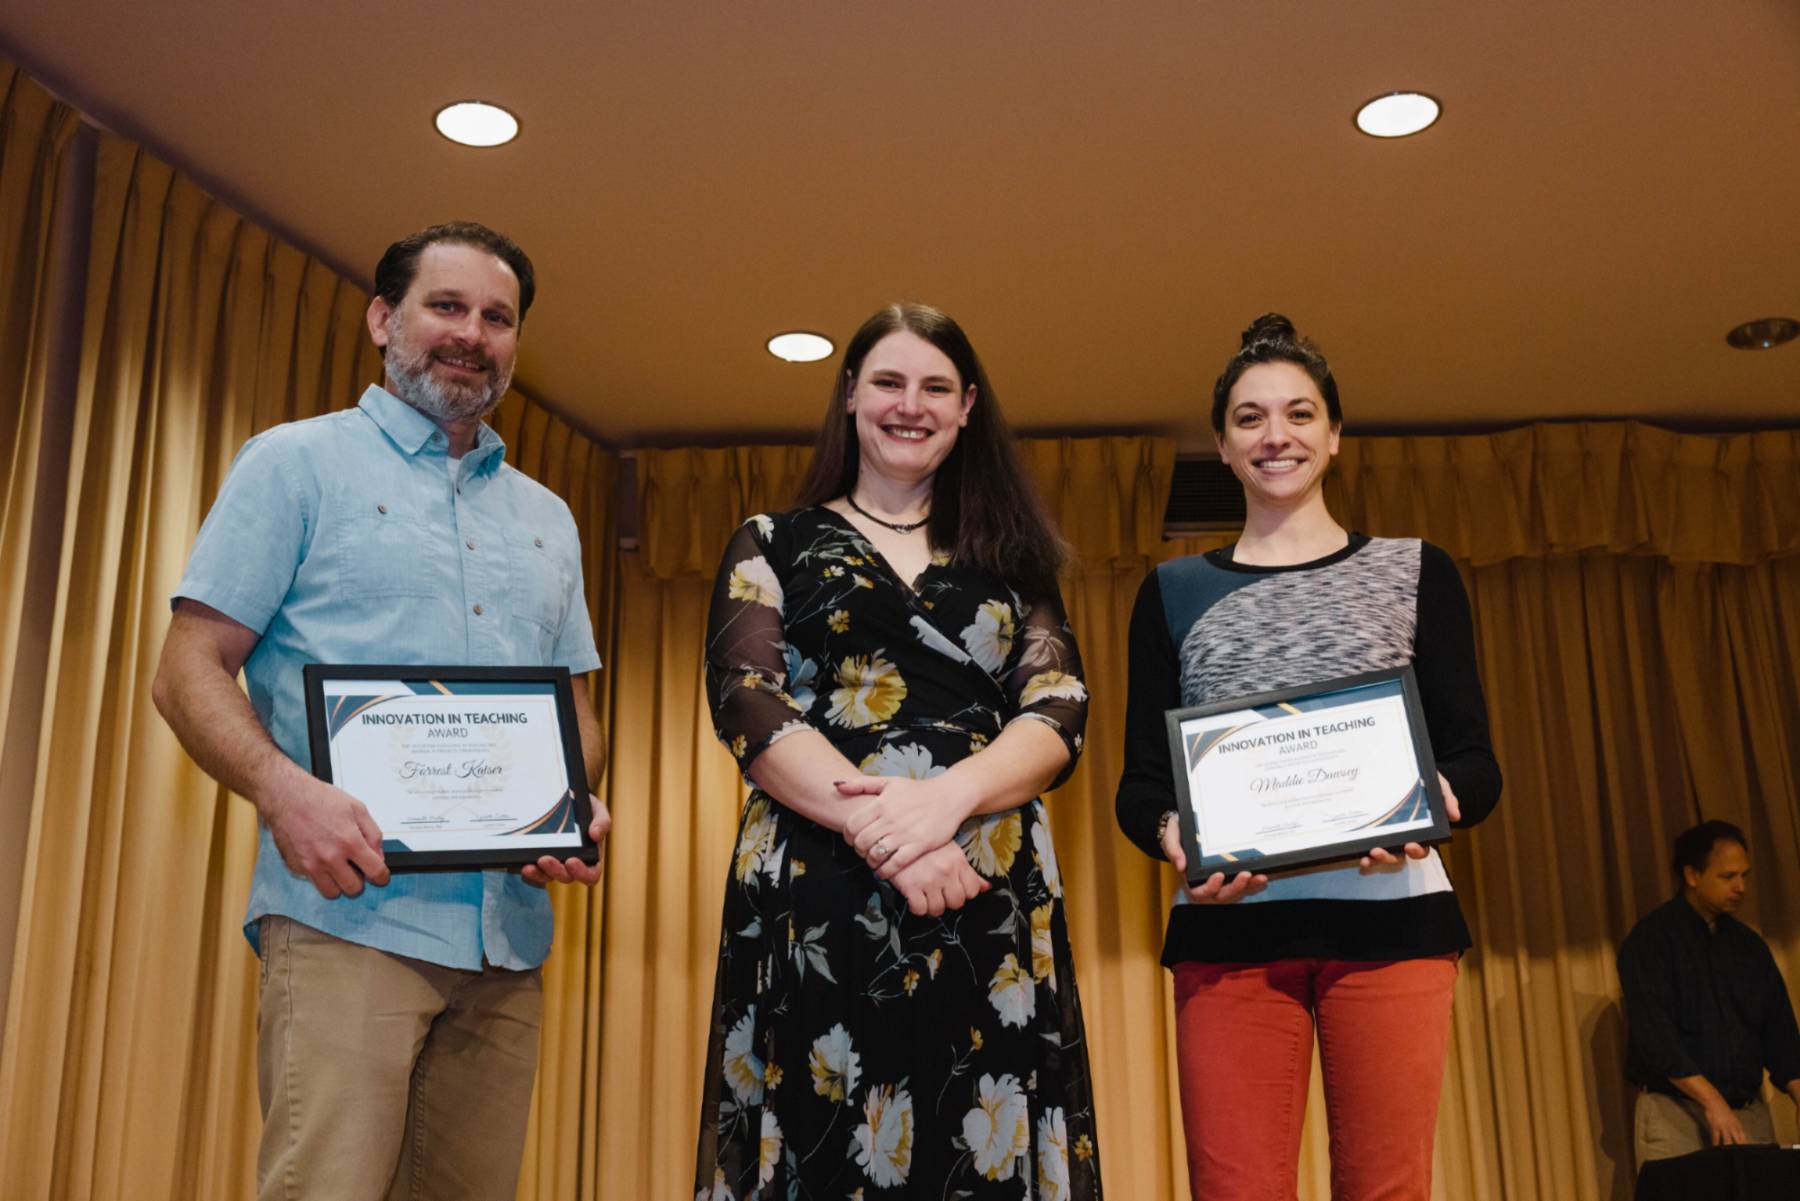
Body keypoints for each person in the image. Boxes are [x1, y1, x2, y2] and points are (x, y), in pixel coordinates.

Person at [152, 222, 610, 1201]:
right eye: (446, 306)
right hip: (348, 920)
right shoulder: (293, 464)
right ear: (381, 318)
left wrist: (571, 800)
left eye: (497, 318)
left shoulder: (547, 516)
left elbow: (578, 710)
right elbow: (187, 667)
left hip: (506, 940)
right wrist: (286, 793)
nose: (471, 334)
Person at [693, 303, 1101, 1200]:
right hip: (818, 880)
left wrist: (944, 802)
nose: (908, 405)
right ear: (849, 397)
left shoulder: (1013, 560)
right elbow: (746, 700)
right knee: (821, 1140)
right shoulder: (772, 540)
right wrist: (882, 827)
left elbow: (1059, 704)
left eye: (934, 387)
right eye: (887, 381)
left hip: (983, 879)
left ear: (966, 409)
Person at [1113, 314, 1503, 1201]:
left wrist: (1429, 799)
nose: (1275, 435)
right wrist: (1177, 835)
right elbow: (1141, 786)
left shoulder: (1417, 569)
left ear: (1334, 434)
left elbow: (1476, 762)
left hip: (1395, 927)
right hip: (1229, 934)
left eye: (1298, 413)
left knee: (1387, 1188)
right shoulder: (1173, 591)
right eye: (1250, 418)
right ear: (1221, 442)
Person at [1618, 820, 1800, 1162]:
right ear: (1692, 875)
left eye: (1744, 876)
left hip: (1747, 1112)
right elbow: (1655, 1037)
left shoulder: (1749, 947)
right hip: (1677, 1113)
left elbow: (1780, 1031)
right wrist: (1712, 1102)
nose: (1740, 887)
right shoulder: (1652, 941)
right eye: (1727, 877)